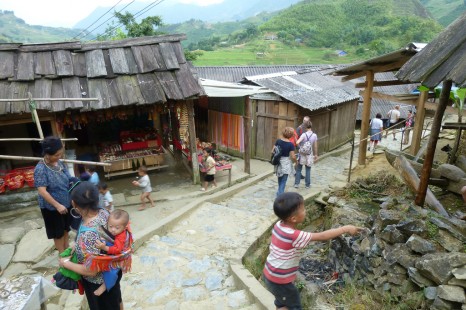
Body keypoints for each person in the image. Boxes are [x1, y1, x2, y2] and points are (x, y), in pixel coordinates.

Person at [262, 192, 363, 310]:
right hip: (280, 281)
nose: (306, 211)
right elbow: (322, 236)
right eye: (303, 209)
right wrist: (345, 228)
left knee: (282, 302)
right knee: (295, 306)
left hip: (270, 274)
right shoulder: (294, 235)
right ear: (293, 218)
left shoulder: (279, 225)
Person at [58, 181, 123, 310]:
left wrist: (66, 263)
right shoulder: (104, 212)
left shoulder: (88, 234)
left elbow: (91, 271)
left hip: (98, 284)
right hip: (112, 273)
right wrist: (76, 246)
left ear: (74, 204)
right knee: (117, 299)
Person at [34, 136, 74, 254]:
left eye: (60, 154)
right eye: (56, 155)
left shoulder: (59, 163)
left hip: (66, 202)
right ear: (47, 154)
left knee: (66, 229)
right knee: (58, 233)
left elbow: (68, 178)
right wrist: (57, 206)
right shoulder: (40, 169)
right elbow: (42, 191)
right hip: (52, 208)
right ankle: (62, 256)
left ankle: (66, 249)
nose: (59, 157)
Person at [95, 209, 132, 296]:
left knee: (112, 271)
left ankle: (106, 285)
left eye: (117, 228)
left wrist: (104, 247)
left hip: (120, 256)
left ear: (124, 227)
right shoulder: (116, 232)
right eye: (110, 226)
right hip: (115, 249)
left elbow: (117, 249)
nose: (113, 230)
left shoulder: (121, 236)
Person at [273, 127, 297, 196]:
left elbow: (273, 151)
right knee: (284, 180)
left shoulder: (278, 141)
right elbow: (293, 156)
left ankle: (279, 191)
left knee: (279, 178)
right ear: (291, 135)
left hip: (278, 162)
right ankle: (280, 196)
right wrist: (296, 162)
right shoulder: (290, 145)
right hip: (286, 163)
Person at [294, 121, 318, 189]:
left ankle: (296, 184)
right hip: (309, 155)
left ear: (305, 127)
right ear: (311, 126)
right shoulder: (314, 135)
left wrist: (299, 146)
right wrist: (316, 154)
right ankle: (307, 185)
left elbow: (297, 142)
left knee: (299, 169)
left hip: (302, 154)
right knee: (308, 170)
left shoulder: (304, 135)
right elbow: (315, 146)